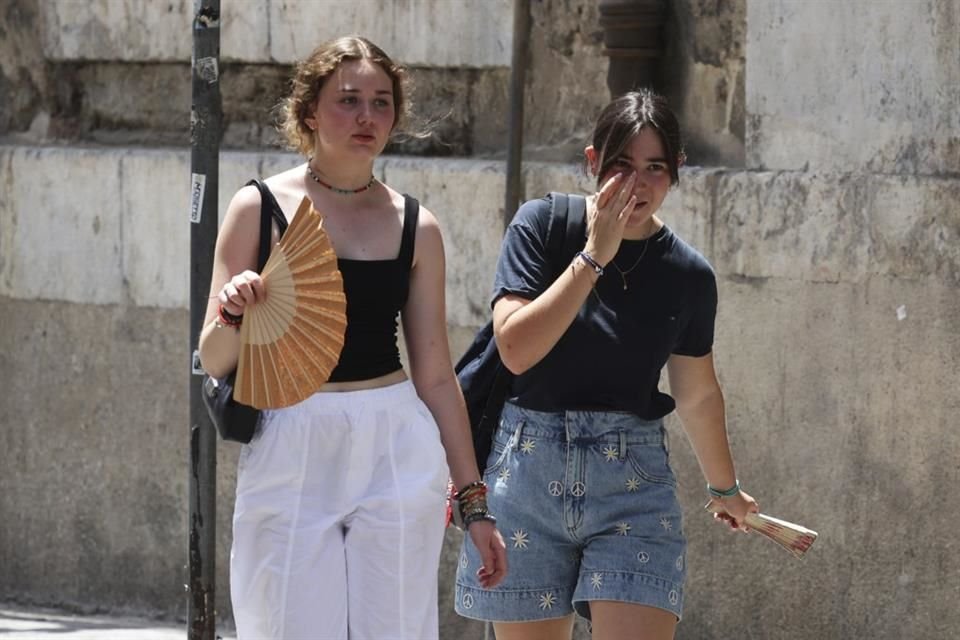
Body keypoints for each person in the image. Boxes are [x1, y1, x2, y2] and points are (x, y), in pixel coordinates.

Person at [198, 35, 507, 640]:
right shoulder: (256, 207)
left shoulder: (416, 224)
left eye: (382, 102)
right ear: (309, 112)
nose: (367, 117)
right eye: (348, 100)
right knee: (282, 626)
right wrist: (234, 311)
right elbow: (212, 357)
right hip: (290, 434)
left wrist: (474, 503)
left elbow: (438, 375)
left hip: (392, 439)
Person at [454, 89, 759, 640]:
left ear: (677, 171)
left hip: (633, 482)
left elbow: (696, 394)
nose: (637, 185)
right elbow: (517, 348)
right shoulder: (543, 226)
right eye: (621, 166)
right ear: (593, 162)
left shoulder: (688, 274)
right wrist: (594, 255)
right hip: (527, 475)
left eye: (654, 168)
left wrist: (724, 489)